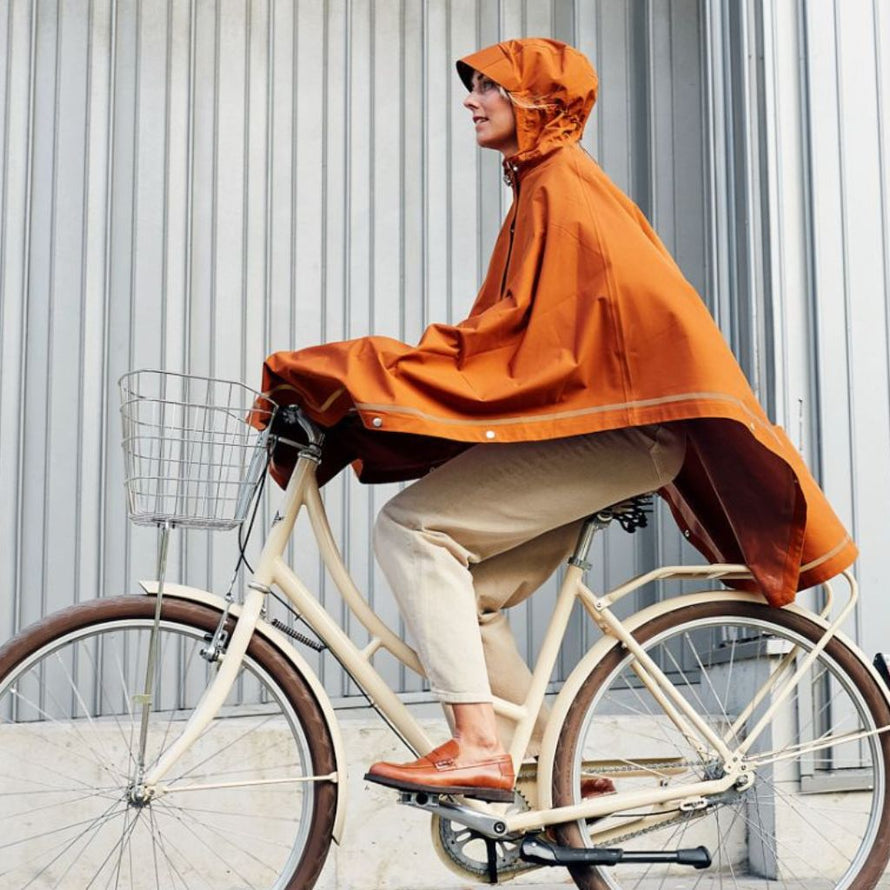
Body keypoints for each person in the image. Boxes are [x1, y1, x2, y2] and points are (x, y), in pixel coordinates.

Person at [257, 38, 856, 801]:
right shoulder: (544, 188)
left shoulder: (563, 190)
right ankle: (549, 777)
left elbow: (524, 354)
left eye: (489, 89)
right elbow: (510, 342)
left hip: (620, 433)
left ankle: (480, 746)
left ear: (536, 102)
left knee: (410, 530)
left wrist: (358, 372)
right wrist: (369, 378)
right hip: (611, 431)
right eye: (471, 87)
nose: (470, 101)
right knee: (463, 595)